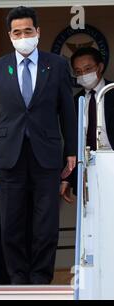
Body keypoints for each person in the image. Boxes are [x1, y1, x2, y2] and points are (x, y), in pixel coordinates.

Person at [0, 6, 77, 285]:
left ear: (38, 32)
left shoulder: (56, 64)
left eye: (27, 31)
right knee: (11, 223)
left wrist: (70, 150)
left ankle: (40, 278)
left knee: (45, 224)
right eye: (17, 32)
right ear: (9, 35)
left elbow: (67, 112)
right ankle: (18, 278)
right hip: (8, 155)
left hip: (46, 155)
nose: (23, 36)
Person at [61, 47, 114, 202]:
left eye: (88, 69)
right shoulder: (75, 102)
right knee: (91, 219)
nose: (84, 75)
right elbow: (71, 142)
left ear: (100, 67)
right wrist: (67, 179)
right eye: (78, 71)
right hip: (87, 170)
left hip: (111, 163)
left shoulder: (112, 91)